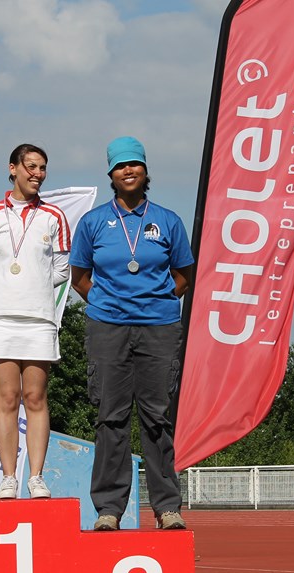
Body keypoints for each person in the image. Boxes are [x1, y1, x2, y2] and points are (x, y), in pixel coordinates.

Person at [69, 136, 194, 531]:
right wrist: (108, 303)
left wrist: (156, 301)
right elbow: (80, 278)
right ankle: (109, 509)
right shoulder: (93, 223)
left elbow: (183, 275)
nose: (128, 170)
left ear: (145, 170)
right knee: (111, 417)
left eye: (134, 164)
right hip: (108, 327)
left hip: (159, 327)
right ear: (111, 173)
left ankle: (167, 507)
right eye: (120, 165)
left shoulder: (168, 220)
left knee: (157, 417)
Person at [0, 143, 71, 499]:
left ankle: (37, 477)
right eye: (30, 166)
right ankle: (9, 476)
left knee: (35, 397)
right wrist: (3, 292)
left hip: (38, 319)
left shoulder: (54, 217)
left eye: (42, 168)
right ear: (13, 168)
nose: (37, 174)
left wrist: (33, 288)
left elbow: (61, 269)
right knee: (8, 398)